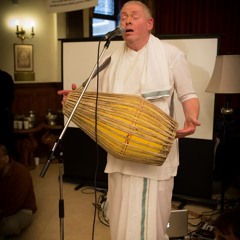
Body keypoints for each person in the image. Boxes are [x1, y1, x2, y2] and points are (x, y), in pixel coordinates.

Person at [58, 1, 201, 239]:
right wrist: (75, 99)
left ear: (149, 23)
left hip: (154, 153)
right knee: (121, 214)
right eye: (123, 16)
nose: (126, 20)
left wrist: (191, 117)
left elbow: (188, 95)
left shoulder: (171, 55)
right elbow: (103, 103)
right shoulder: (110, 60)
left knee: (151, 222)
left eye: (134, 15)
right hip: (120, 152)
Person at [0, 144, 37, 239]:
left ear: (5, 159)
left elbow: (16, 203)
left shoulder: (21, 172)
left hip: (22, 210)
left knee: (8, 226)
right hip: (4, 209)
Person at [0, 70, 17, 159]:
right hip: (4, 114)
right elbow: (10, 98)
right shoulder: (6, 76)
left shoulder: (5, 77)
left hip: (4, 114)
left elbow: (10, 98)